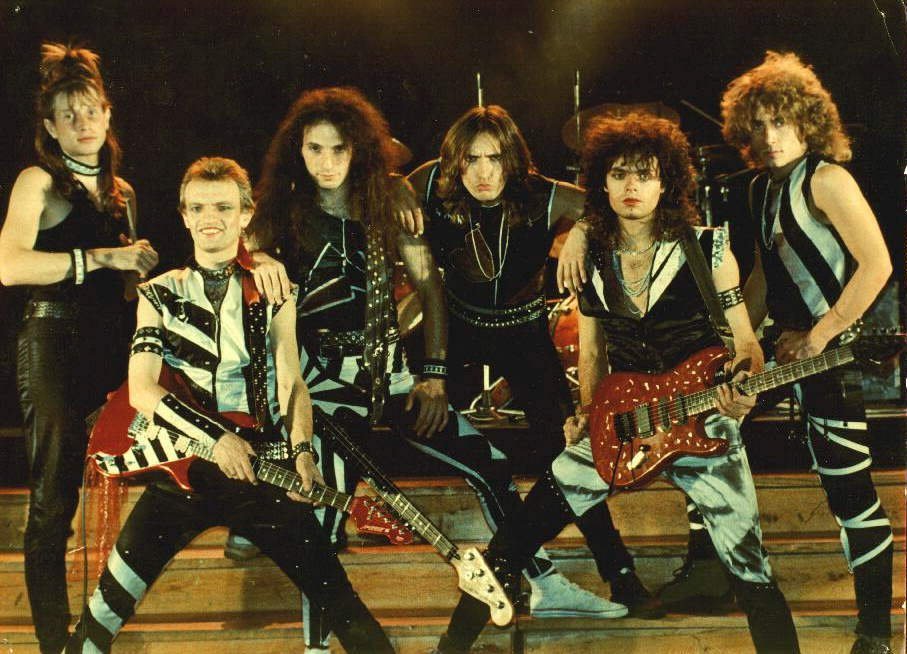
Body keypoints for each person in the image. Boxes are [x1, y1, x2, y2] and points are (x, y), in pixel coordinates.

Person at [246, 88, 627, 654]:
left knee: (491, 466)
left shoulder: (386, 207)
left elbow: (430, 289)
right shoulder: (281, 213)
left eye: (339, 149)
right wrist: (256, 256)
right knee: (323, 520)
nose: (326, 162)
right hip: (322, 390)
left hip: (391, 376)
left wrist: (431, 376)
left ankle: (544, 583)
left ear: (358, 150)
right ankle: (316, 648)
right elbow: (234, 246)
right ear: (295, 152)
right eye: (314, 149)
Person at [434, 113, 801, 653]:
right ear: (602, 184)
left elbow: (745, 343)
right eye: (620, 174)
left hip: (703, 421)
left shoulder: (709, 248)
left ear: (666, 183)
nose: (632, 186)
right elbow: (591, 352)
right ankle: (449, 648)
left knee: (752, 571)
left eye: (645, 175)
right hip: (623, 422)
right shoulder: (590, 257)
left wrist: (741, 386)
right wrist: (587, 411)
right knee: (513, 540)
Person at [63, 157, 392, 653]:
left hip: (261, 468)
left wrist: (303, 451)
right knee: (103, 613)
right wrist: (216, 439)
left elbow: (292, 381)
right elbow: (142, 389)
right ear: (184, 216)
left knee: (341, 603)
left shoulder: (275, 289)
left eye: (222, 207)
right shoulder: (159, 292)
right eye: (197, 208)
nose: (209, 218)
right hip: (183, 469)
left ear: (245, 215)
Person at [656, 51, 896, 654]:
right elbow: (765, 276)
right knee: (708, 420)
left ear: (807, 121)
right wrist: (741, 344)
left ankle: (874, 632)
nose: (769, 136)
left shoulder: (827, 179)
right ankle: (710, 571)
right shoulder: (765, 188)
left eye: (780, 122)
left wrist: (822, 333)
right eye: (758, 125)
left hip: (834, 352)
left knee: (850, 495)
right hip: (790, 345)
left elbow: (878, 265)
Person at [403, 104, 661, 617]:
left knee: (567, 452)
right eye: (471, 160)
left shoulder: (544, 195)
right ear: (455, 162)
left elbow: (603, 205)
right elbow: (396, 184)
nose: (482, 172)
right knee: (405, 408)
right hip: (457, 325)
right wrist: (395, 190)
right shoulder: (433, 182)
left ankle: (621, 574)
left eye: (494, 159)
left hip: (522, 334)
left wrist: (582, 230)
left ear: (513, 161)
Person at [0, 43, 159, 653]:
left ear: (108, 114)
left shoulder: (124, 191)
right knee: (55, 494)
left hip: (112, 347)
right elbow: (10, 266)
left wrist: (146, 277)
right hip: (52, 341)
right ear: (50, 126)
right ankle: (53, 643)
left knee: (138, 473)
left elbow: (128, 286)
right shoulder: (37, 181)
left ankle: (99, 628)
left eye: (90, 110)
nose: (82, 123)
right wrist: (101, 258)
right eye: (68, 115)